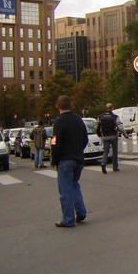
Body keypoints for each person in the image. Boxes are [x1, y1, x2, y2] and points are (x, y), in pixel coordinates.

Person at [50, 95, 89, 228]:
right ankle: (81, 212)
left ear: (57, 106)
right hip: (78, 158)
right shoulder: (78, 119)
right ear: (70, 106)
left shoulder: (59, 122)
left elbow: (55, 142)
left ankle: (68, 219)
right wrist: (78, 150)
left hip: (65, 160)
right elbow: (85, 139)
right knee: (74, 185)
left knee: (65, 189)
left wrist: (54, 159)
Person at [97, 103, 129, 174]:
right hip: (113, 136)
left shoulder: (100, 116)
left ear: (106, 108)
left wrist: (99, 135)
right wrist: (125, 135)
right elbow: (120, 127)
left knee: (106, 151)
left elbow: (98, 127)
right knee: (115, 152)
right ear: (112, 108)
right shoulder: (115, 117)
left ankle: (103, 163)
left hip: (105, 136)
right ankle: (115, 167)